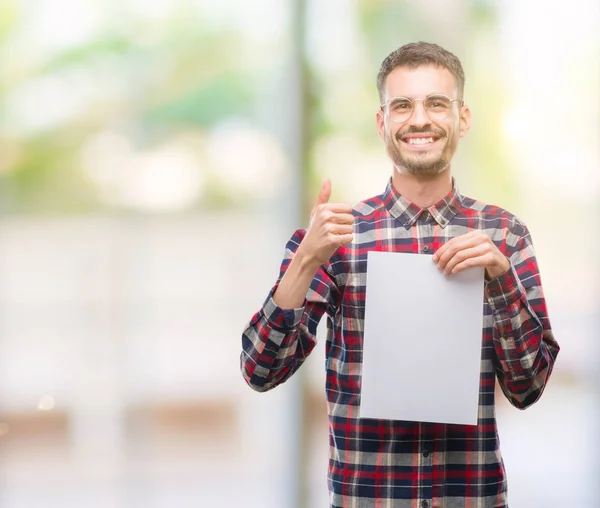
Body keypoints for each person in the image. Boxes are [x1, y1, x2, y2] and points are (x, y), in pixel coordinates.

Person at [239, 41, 560, 508]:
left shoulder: (504, 234)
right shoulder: (335, 237)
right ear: (382, 122)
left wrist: (502, 280)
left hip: (470, 497)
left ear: (463, 118)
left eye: (436, 103)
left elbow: (528, 388)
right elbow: (260, 371)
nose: (419, 120)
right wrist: (307, 258)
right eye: (402, 105)